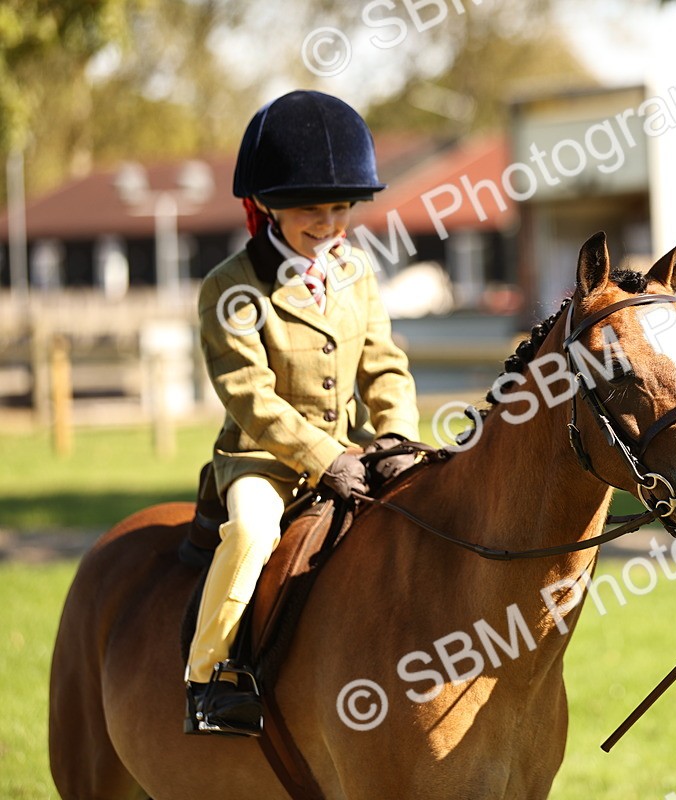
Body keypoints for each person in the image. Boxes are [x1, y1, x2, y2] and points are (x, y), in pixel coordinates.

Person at [185, 90, 421, 735]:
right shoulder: (231, 287)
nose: (328, 224)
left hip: (352, 449)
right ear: (266, 206)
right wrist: (326, 458)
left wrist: (396, 433)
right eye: (310, 210)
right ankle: (209, 677)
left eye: (341, 209)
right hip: (263, 461)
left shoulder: (355, 274)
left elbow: (383, 363)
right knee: (254, 535)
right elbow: (250, 396)